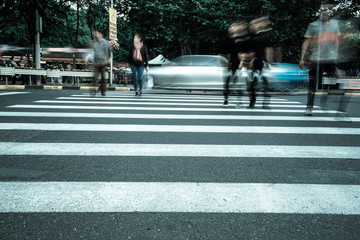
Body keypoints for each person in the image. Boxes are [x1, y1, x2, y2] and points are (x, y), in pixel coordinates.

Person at [299, 2, 351, 121]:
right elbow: (306, 42)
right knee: (312, 85)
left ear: (330, 12)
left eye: (327, 10)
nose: (325, 12)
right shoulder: (313, 25)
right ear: (320, 12)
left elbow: (337, 41)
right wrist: (302, 58)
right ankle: (309, 107)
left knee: (332, 84)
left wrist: (336, 55)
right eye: (323, 10)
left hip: (330, 60)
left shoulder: (334, 24)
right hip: (315, 60)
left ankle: (323, 101)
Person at [220, 20, 251, 107]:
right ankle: (226, 100)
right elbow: (227, 53)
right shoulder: (229, 40)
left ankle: (239, 101)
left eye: (232, 27)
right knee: (227, 83)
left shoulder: (240, 40)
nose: (231, 29)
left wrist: (241, 63)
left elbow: (241, 53)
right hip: (230, 64)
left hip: (238, 64)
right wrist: (226, 62)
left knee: (238, 84)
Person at [247, 16, 274, 109]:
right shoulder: (252, 37)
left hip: (262, 61)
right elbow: (250, 51)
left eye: (254, 25)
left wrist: (268, 62)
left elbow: (268, 49)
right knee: (252, 83)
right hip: (255, 62)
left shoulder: (264, 36)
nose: (252, 27)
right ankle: (252, 101)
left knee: (265, 83)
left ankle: (264, 103)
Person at [86, 29, 112, 96]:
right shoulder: (93, 42)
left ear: (101, 34)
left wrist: (109, 58)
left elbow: (109, 50)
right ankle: (93, 90)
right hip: (96, 62)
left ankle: (103, 90)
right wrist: (87, 58)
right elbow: (91, 51)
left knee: (103, 77)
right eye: (95, 33)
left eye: (97, 33)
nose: (96, 35)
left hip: (103, 62)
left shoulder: (105, 43)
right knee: (95, 77)